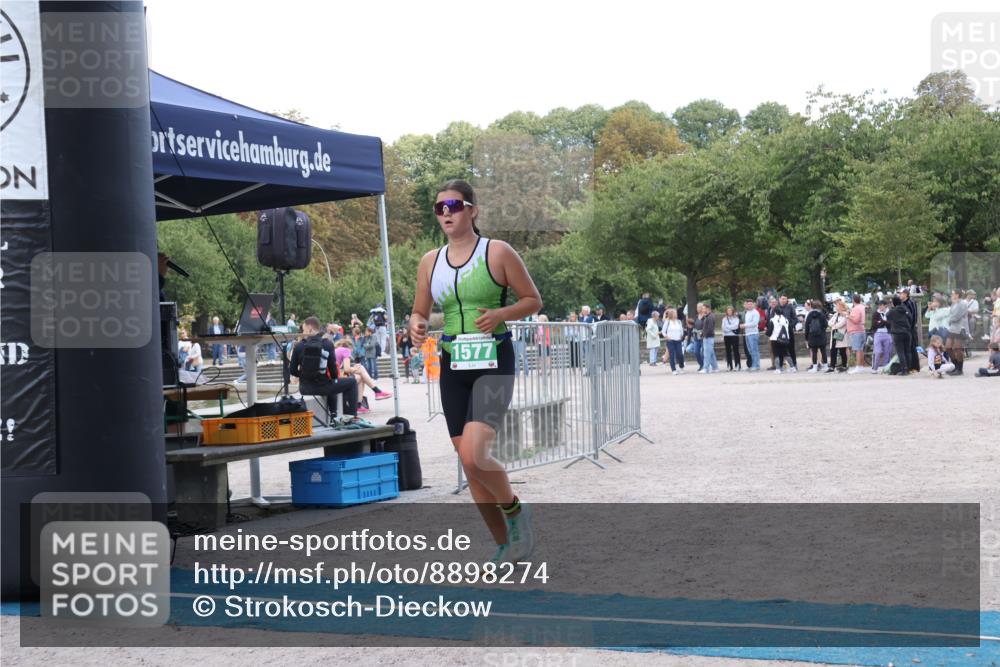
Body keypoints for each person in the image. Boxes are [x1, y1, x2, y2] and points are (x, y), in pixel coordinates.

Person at [409, 179, 542, 564]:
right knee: (470, 467)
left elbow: (533, 300)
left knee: (473, 454)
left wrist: (501, 314)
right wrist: (416, 325)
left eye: (453, 205)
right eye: (439, 208)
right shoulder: (429, 261)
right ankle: (507, 546)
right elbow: (420, 311)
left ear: (473, 210)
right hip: (453, 363)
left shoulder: (497, 252)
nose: (446, 213)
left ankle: (517, 513)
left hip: (493, 360)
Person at [290, 316, 360, 422]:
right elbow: (333, 371)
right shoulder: (327, 344)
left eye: (304, 330)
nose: (303, 332)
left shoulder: (299, 346)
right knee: (350, 382)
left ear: (310, 329)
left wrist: (305, 374)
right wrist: (333, 378)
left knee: (331, 382)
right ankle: (350, 416)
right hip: (322, 386)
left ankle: (334, 415)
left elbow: (292, 370)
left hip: (304, 388)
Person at [334, 339, 391, 413]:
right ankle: (377, 391)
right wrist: (355, 368)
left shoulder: (337, 350)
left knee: (361, 376)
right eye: (352, 350)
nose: (351, 353)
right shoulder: (345, 350)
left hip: (335, 378)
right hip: (337, 379)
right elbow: (347, 369)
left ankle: (359, 405)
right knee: (360, 368)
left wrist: (354, 368)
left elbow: (342, 369)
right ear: (350, 347)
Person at [945, 289, 969, 375]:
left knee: (958, 349)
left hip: (959, 328)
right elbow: (950, 314)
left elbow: (956, 316)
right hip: (952, 328)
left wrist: (949, 319)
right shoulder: (954, 303)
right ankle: (955, 366)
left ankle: (959, 369)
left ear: (957, 295)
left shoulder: (962, 303)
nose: (951, 295)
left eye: (952, 294)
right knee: (948, 347)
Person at [886, 295, 912, 375]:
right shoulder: (905, 309)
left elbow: (887, 316)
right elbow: (910, 318)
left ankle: (904, 369)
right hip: (907, 332)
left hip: (897, 333)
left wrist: (892, 307)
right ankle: (909, 368)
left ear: (893, 303)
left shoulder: (892, 311)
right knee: (907, 351)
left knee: (900, 352)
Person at [898, 288, 920, 372]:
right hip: (904, 329)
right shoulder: (902, 303)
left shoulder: (910, 303)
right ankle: (907, 366)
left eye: (901, 293)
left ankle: (914, 367)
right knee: (906, 349)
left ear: (905, 294)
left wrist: (909, 327)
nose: (900, 295)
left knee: (912, 348)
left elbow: (913, 317)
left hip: (910, 329)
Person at [804, 299, 828, 372]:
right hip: (821, 335)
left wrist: (806, 338)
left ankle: (814, 367)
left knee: (814, 351)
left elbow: (807, 327)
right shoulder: (821, 314)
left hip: (812, 336)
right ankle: (825, 366)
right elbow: (825, 324)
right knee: (823, 351)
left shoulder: (809, 315)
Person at [846, 294, 867, 374]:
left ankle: (858, 366)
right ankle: (861, 366)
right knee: (860, 349)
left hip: (856, 331)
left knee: (857, 349)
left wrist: (848, 316)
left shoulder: (856, 308)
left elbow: (856, 320)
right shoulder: (862, 307)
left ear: (853, 300)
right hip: (861, 330)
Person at [826, 300, 849, 373]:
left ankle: (844, 365)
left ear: (841, 307)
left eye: (837, 306)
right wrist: (834, 325)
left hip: (841, 335)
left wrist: (834, 326)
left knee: (842, 351)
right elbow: (829, 322)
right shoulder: (835, 314)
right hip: (834, 334)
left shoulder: (845, 315)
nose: (836, 308)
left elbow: (841, 324)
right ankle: (832, 366)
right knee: (833, 350)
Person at [661, 308, 685, 374]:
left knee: (680, 354)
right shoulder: (667, 322)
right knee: (672, 355)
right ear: (671, 314)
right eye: (675, 313)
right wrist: (666, 336)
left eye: (676, 313)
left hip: (678, 340)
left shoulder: (679, 322)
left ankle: (681, 366)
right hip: (670, 341)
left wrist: (681, 335)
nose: (676, 314)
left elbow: (681, 331)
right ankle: (673, 370)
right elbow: (663, 331)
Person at [767, 306, 791, 373]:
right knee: (786, 353)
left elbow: (769, 332)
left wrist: (766, 332)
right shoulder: (786, 319)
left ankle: (778, 368)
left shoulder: (773, 320)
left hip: (775, 339)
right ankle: (792, 367)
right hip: (785, 339)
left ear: (774, 312)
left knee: (776, 354)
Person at [871, 299, 893, 374]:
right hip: (878, 333)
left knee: (888, 351)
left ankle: (886, 368)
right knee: (877, 351)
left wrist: (882, 322)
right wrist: (884, 322)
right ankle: (875, 368)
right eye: (879, 305)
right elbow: (874, 324)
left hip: (887, 333)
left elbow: (891, 323)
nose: (880, 307)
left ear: (885, 305)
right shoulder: (876, 313)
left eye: (881, 305)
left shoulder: (889, 313)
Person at [778, 295, 798, 371]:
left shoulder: (790, 307)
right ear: (779, 299)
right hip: (779, 333)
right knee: (780, 350)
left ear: (787, 300)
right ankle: (780, 366)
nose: (783, 300)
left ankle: (794, 365)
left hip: (789, 332)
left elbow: (795, 319)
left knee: (791, 349)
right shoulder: (777, 308)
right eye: (782, 299)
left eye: (785, 299)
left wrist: (789, 326)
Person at [740, 299, 761, 371]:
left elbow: (754, 323)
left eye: (750, 304)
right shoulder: (747, 313)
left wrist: (744, 325)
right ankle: (753, 365)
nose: (749, 305)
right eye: (748, 304)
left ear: (753, 304)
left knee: (754, 350)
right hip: (747, 334)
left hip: (753, 334)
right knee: (750, 351)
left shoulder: (755, 313)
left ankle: (756, 366)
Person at [721, 306, 741, 371]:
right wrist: (730, 328)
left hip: (734, 336)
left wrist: (728, 327)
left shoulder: (736, 318)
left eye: (730, 310)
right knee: (728, 351)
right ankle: (729, 365)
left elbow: (735, 326)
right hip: (726, 336)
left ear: (733, 311)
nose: (729, 312)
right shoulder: (724, 319)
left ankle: (737, 365)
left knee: (736, 351)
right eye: (728, 310)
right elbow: (723, 328)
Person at [700, 303, 718, 373]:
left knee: (707, 353)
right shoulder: (707, 316)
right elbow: (704, 325)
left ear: (707, 308)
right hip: (707, 337)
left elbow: (710, 329)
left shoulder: (710, 317)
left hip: (708, 337)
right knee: (711, 353)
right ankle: (715, 367)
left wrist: (704, 335)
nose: (702, 310)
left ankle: (706, 368)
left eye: (703, 308)